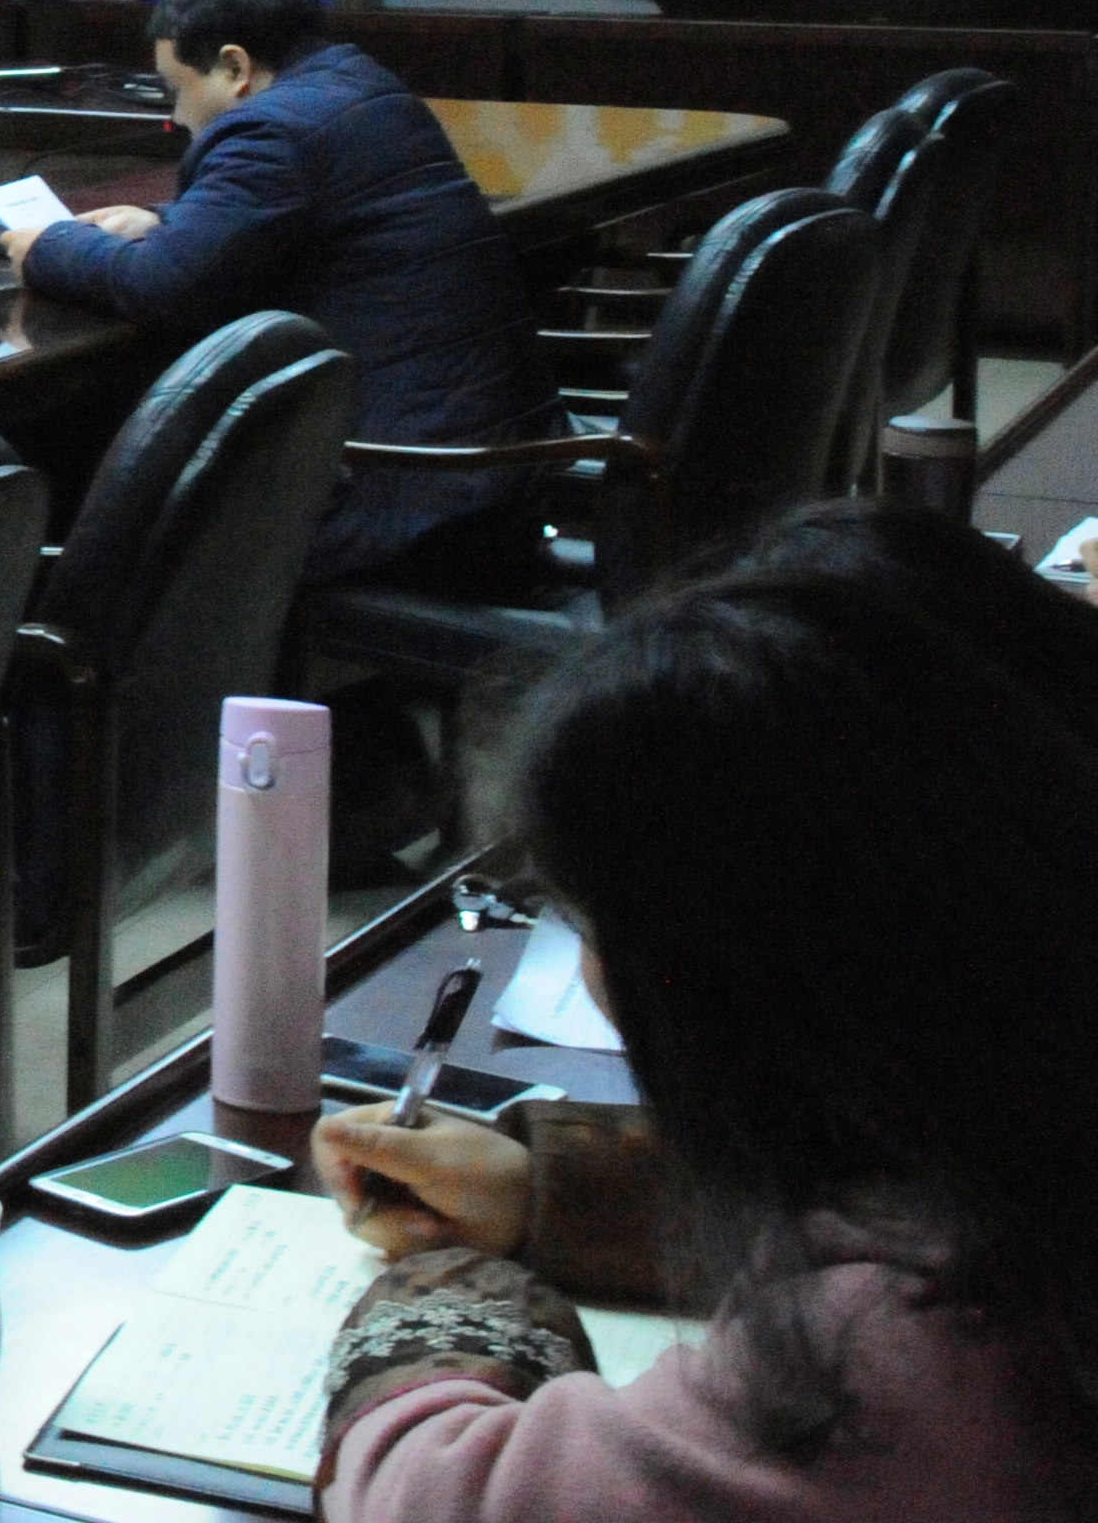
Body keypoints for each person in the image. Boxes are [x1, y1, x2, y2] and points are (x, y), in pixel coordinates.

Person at [304, 504, 1098, 1520]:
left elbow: (446, 1502)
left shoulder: (913, 1359)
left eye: (590, 923)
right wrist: (559, 1194)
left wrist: (447, 1306)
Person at [0, 0, 552, 583]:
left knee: (102, 483)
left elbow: (162, 286)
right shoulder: (360, 86)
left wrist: (49, 248)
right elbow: (302, 211)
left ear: (235, 66)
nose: (175, 117)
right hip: (496, 470)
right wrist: (165, 220)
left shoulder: (271, 132)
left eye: (178, 89)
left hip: (404, 500)